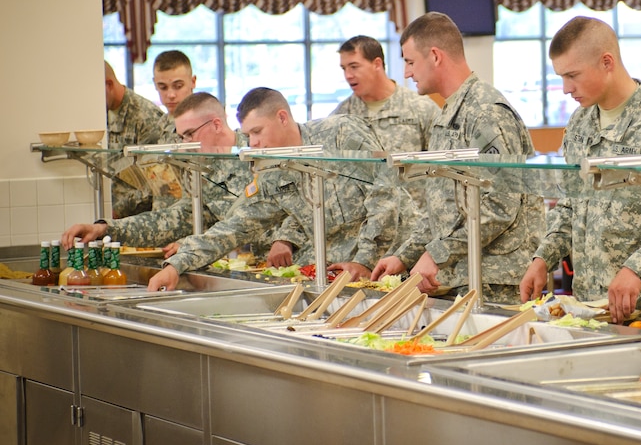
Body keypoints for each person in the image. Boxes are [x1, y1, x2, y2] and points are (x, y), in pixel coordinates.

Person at [518, 17, 641, 324]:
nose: (565, 88)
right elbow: (570, 204)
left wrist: (638, 266)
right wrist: (543, 257)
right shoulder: (579, 124)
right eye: (561, 77)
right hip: (590, 310)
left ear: (607, 62)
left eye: (573, 75)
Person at [146, 88, 402, 291]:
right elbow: (236, 226)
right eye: (248, 135)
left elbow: (385, 195)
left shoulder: (341, 132)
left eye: (257, 131)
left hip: (392, 263)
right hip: (340, 274)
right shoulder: (273, 172)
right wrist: (176, 265)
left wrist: (365, 260)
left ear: (282, 117)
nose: (253, 142)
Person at [370, 12, 541, 304]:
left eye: (410, 62)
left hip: (494, 280)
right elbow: (441, 207)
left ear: (435, 56)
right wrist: (405, 254)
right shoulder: (449, 113)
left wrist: (437, 253)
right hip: (461, 275)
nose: (407, 73)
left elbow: (500, 204)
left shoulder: (486, 111)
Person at [60, 92, 249, 251]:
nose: (185, 145)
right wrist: (105, 229)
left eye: (190, 134)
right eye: (182, 137)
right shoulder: (200, 169)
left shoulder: (255, 152)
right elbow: (173, 220)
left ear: (216, 125)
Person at [331, 35, 438, 153]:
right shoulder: (341, 115)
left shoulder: (421, 107)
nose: (348, 75)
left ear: (377, 64)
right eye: (344, 68)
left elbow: (441, 162)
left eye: (354, 67)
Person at [105, 60, 167, 217]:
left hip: (139, 218)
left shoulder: (145, 116)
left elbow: (154, 181)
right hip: (112, 214)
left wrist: (117, 211)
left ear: (109, 85)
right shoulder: (103, 112)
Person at [151, 49, 198, 142]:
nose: (171, 95)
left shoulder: (205, 123)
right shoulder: (158, 124)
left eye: (178, 86)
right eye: (163, 87)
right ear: (155, 85)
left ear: (193, 82)